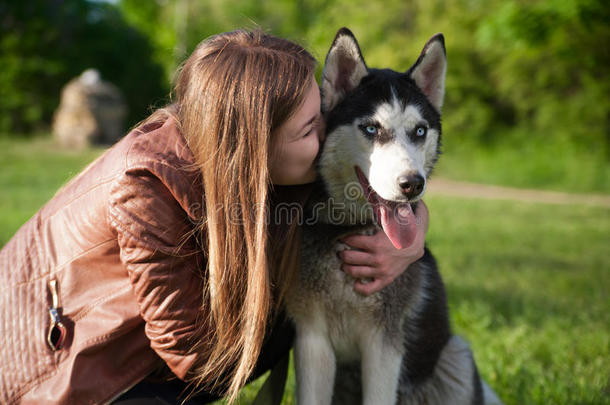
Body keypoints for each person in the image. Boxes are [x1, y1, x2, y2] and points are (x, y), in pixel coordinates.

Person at [0, 29, 429, 404]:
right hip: (67, 376)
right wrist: (297, 298)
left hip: (145, 357)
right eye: (310, 126)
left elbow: (374, 192)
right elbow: (191, 353)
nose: (329, 130)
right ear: (256, 143)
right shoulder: (146, 188)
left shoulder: (248, 155)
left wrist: (410, 238)